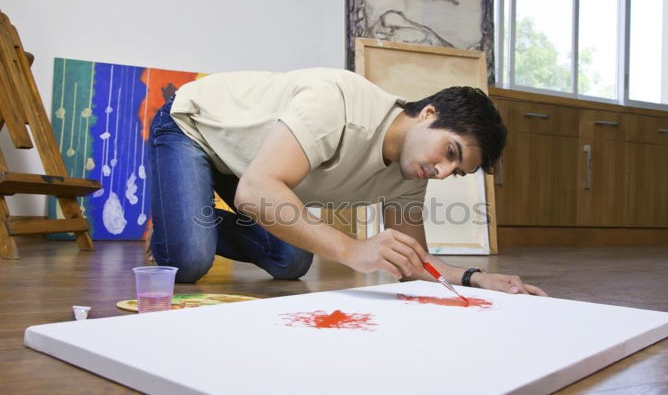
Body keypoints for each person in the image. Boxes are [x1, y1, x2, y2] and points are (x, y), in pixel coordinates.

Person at [148, 67, 547, 296]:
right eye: (450, 152)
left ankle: (178, 217)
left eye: (454, 170)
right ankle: (177, 225)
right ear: (428, 113)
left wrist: (477, 278)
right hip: (194, 127)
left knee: (292, 260)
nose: (442, 171)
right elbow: (256, 191)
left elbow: (414, 262)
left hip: (251, 165)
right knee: (189, 260)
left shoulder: (412, 175)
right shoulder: (338, 104)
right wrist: (354, 249)